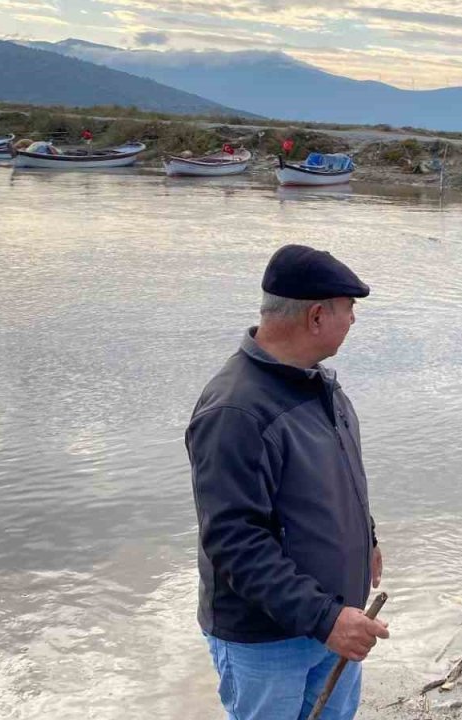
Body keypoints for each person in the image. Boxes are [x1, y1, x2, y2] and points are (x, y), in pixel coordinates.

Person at [186, 244, 389, 720]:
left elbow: (334, 478)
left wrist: (369, 537)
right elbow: (234, 542)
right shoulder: (235, 411)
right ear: (317, 316)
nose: (354, 320)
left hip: (332, 618)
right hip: (267, 640)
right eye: (348, 309)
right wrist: (326, 619)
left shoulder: (317, 384)